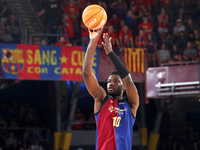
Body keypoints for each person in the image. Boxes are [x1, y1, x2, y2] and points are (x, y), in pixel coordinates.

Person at [82, 28, 139, 149]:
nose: (111, 84)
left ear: (123, 86)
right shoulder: (101, 98)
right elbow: (86, 74)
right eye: (109, 81)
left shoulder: (131, 104)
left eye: (116, 81)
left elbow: (128, 80)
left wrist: (111, 54)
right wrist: (92, 42)